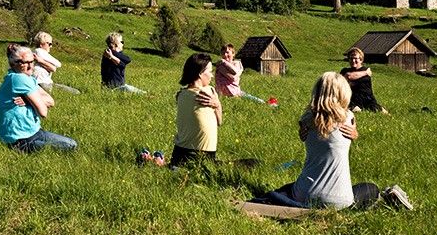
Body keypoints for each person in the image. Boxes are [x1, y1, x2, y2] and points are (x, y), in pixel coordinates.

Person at [257, 72, 412, 210]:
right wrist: (355, 134)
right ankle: (384, 198)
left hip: (303, 195)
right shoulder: (348, 117)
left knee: (290, 187)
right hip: (339, 202)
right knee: (370, 188)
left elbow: (307, 134)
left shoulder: (306, 119)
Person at [0, 44, 77, 153]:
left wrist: (27, 101)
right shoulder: (19, 78)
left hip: (33, 131)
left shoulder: (28, 78)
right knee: (69, 146)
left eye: (32, 62)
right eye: (25, 63)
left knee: (72, 143)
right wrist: (34, 101)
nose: (30, 66)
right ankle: (4, 147)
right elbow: (43, 112)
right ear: (13, 64)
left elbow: (50, 101)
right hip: (19, 139)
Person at [170, 53, 223, 167]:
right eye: (210, 71)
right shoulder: (209, 92)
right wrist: (218, 105)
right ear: (200, 73)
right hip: (203, 154)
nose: (212, 76)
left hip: (178, 153)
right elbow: (219, 122)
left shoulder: (181, 94)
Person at [340, 48, 388, 114]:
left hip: (367, 99)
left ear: (361, 59)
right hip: (352, 99)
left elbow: (349, 77)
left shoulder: (364, 69)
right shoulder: (346, 71)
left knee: (377, 110)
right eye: (351, 58)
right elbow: (347, 77)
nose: (353, 61)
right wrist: (365, 73)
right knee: (353, 109)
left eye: (355, 58)